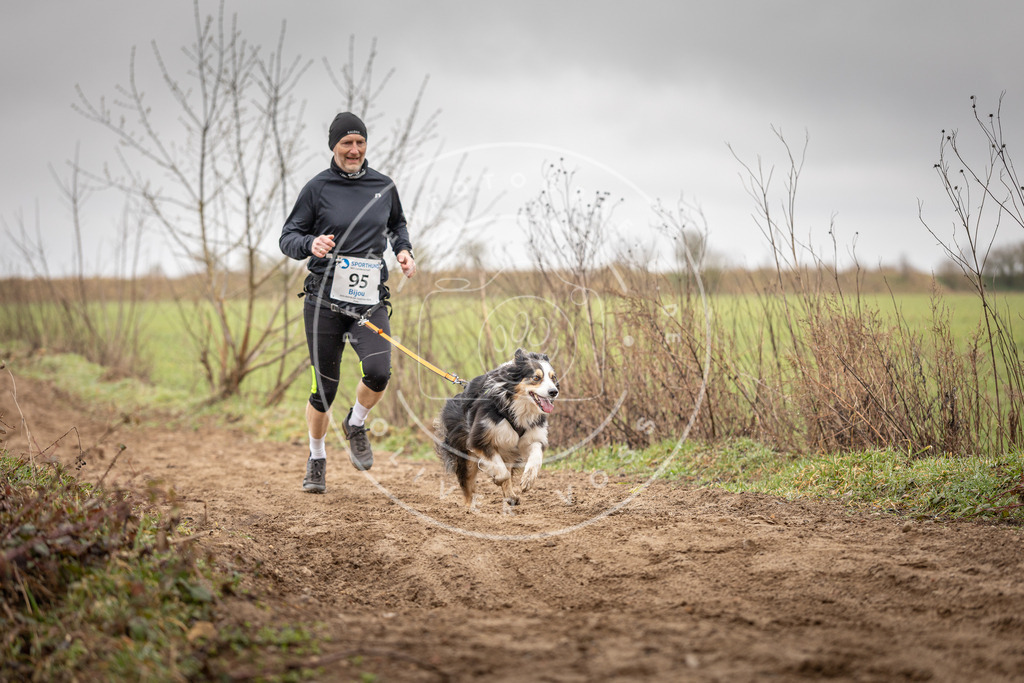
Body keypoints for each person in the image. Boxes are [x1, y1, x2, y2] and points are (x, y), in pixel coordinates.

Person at [279, 112, 416, 493]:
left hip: (369, 301)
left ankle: (356, 423)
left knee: (379, 372)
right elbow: (288, 237)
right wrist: (310, 243)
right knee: (323, 390)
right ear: (334, 147)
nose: (354, 150)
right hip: (324, 302)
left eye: (359, 142)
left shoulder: (383, 186)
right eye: (346, 144)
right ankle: (317, 457)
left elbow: (396, 225)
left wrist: (403, 251)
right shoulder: (316, 189)